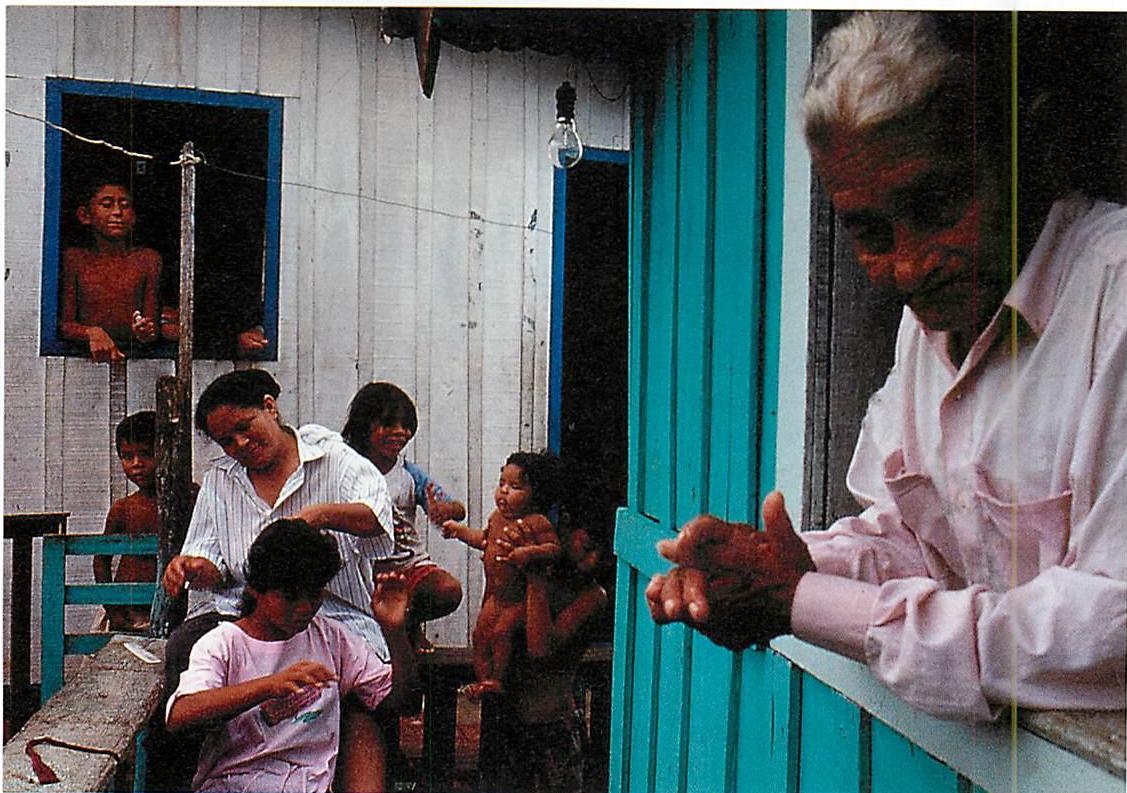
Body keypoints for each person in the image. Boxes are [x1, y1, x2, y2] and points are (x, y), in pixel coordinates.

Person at [647, 11, 1127, 722]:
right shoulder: (926, 324)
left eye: (935, 206)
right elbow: (916, 541)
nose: (905, 263)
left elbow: (1112, 624)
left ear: (1018, 158)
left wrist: (798, 600)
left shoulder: (1112, 298)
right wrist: (780, 566)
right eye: (869, 232)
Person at [157, 369, 397, 792]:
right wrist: (193, 568)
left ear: (270, 406)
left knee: (359, 698)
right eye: (227, 441)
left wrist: (317, 515)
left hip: (333, 613)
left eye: (244, 428)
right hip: (245, 612)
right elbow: (217, 567)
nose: (240, 445)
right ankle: (182, 778)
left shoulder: (333, 459)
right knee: (183, 650)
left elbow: (377, 519)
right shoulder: (221, 480)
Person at [166, 518, 416, 793]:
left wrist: (394, 631)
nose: (305, 607)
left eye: (314, 594)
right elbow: (181, 714)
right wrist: (270, 686)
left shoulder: (330, 636)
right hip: (234, 785)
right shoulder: (223, 643)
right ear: (255, 589)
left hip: (310, 785)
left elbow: (396, 698)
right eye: (290, 597)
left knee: (363, 721)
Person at [479, 521, 608, 793]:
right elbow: (488, 631)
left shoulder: (593, 596)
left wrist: (535, 580)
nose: (593, 560)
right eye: (587, 548)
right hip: (507, 723)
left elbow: (540, 649)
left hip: (552, 729)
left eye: (602, 554)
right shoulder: (525, 576)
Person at [341, 382, 466, 649]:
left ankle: (407, 625)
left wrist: (445, 511)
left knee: (447, 589)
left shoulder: (409, 474)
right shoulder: (344, 469)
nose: (400, 433)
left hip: (408, 567)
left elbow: (456, 509)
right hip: (363, 571)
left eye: (406, 426)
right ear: (364, 425)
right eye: (388, 425)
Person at [442, 451, 563, 696]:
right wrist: (459, 531)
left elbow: (554, 549)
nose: (504, 491)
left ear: (536, 495)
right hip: (496, 598)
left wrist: (529, 552)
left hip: (517, 601)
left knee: (501, 633)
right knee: (480, 635)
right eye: (501, 484)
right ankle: (483, 680)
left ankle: (497, 680)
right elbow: (483, 540)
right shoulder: (496, 518)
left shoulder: (537, 522)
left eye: (515, 486)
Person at [58, 179, 162, 362]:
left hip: (136, 362)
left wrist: (145, 331)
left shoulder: (147, 260)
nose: (117, 212)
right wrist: (91, 332)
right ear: (85, 215)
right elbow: (64, 324)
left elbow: (150, 327)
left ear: (134, 217)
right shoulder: (74, 259)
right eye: (106, 205)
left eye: (125, 206)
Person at [92, 411, 176, 631]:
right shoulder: (123, 508)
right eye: (128, 456)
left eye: (146, 454)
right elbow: (101, 560)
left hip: (173, 610)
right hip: (126, 611)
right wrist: (113, 609)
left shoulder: (189, 500)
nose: (137, 464)